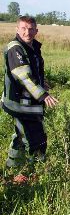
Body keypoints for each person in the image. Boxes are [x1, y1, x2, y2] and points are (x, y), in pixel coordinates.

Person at [2, 16, 58, 183]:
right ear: (17, 29)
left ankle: (11, 168)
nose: (28, 32)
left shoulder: (32, 46)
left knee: (19, 135)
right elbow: (23, 76)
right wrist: (43, 94)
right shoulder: (15, 48)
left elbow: (32, 70)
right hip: (21, 103)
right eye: (24, 28)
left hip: (25, 103)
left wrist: (42, 82)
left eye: (31, 28)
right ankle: (37, 173)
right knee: (36, 137)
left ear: (36, 30)